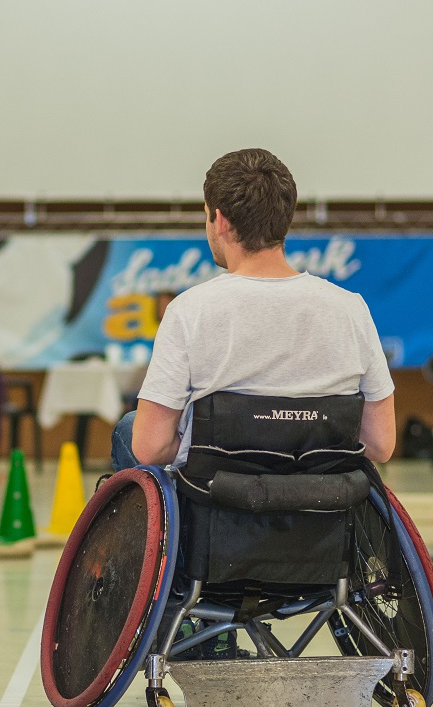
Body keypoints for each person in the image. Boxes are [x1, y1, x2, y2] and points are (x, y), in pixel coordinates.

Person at [115, 148, 396, 472]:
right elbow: (380, 443)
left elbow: (150, 447)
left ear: (219, 220)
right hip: (324, 511)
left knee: (129, 429)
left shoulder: (188, 312)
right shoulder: (351, 310)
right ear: (284, 218)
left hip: (216, 510)